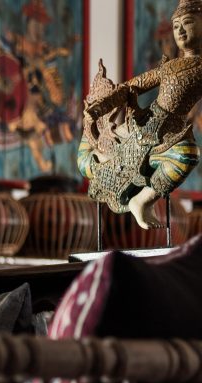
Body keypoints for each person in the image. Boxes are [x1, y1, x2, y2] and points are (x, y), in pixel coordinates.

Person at [80, 0, 202, 228]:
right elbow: (130, 87)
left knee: (187, 155)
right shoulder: (169, 67)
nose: (181, 31)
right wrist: (102, 107)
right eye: (176, 27)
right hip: (148, 123)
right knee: (115, 160)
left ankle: (142, 200)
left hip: (173, 131)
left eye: (188, 23)